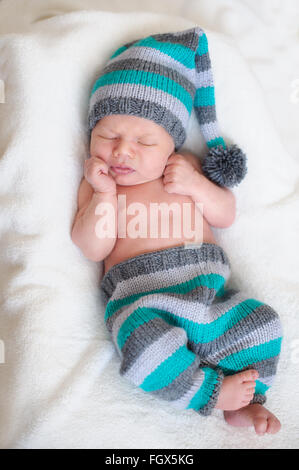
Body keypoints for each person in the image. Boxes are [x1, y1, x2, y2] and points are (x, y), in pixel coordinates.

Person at [71, 27, 282, 435]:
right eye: (108, 136)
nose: (122, 151)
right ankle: (207, 391)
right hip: (143, 297)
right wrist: (101, 196)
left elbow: (225, 214)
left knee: (262, 323)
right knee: (142, 344)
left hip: (209, 295)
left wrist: (197, 185)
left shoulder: (186, 166)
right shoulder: (99, 184)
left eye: (145, 141)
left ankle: (248, 403)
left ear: (171, 144)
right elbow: (92, 247)